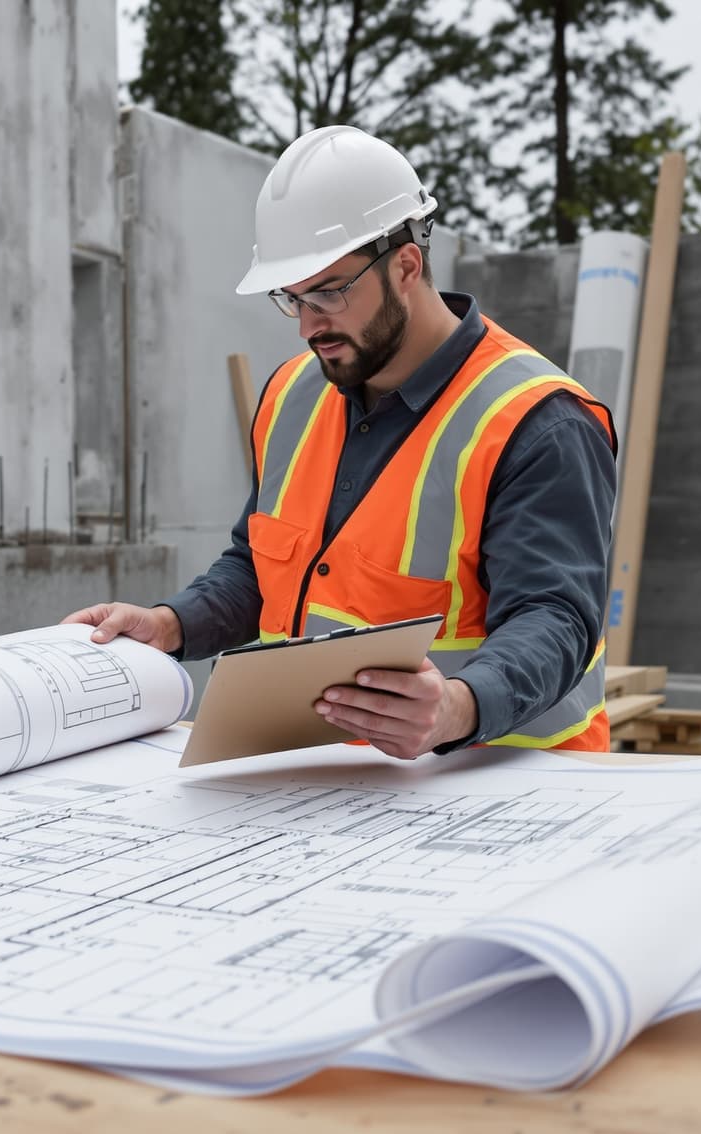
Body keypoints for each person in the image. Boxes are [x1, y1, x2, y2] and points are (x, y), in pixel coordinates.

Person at [63, 125, 619, 757]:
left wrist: (457, 708)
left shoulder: (538, 421)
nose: (307, 325)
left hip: (497, 793)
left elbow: (556, 618)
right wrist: (170, 624)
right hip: (328, 793)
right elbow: (261, 567)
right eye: (292, 298)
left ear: (407, 265)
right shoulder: (293, 395)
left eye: (328, 293)